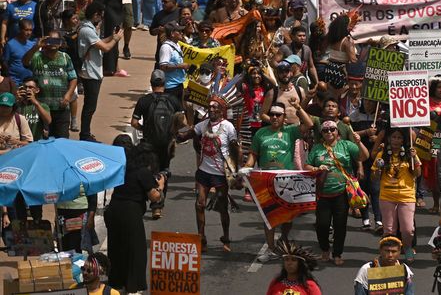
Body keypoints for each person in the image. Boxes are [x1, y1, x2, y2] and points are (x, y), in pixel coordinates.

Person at [244, 97, 313, 261]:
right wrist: (246, 168)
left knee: (287, 216)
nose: (274, 117)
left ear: (284, 118)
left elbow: (309, 124)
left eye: (278, 115)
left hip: (286, 180)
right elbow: (253, 155)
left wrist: (298, 107)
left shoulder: (291, 131)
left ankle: (284, 238)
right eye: (272, 114)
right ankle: (270, 248)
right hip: (266, 180)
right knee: (268, 216)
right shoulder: (260, 133)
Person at [176, 96, 240, 252]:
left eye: (214, 107)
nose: (211, 109)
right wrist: (174, 129)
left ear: (221, 110)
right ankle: (201, 237)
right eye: (209, 107)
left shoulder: (228, 127)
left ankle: (226, 237)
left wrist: (237, 171)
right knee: (199, 204)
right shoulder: (202, 125)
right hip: (203, 172)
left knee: (222, 207)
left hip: (220, 175)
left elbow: (235, 149)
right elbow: (184, 136)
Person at [104, 134, 164, 294]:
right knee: (135, 251)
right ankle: (133, 285)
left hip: (114, 210)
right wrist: (160, 186)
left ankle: (116, 281)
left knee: (116, 248)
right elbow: (154, 196)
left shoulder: (120, 169)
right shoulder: (141, 171)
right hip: (130, 212)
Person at [305, 118, 367, 265]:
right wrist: (316, 168)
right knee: (322, 225)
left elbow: (364, 156)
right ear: (321, 133)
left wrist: (359, 143)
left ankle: (337, 254)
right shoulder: (317, 148)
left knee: (340, 225)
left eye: (332, 129)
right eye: (325, 130)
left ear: (337, 132)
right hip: (322, 193)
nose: (329, 132)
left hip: (342, 193)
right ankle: (325, 250)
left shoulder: (346, 145)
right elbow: (307, 165)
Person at [130, 68, 183, 219]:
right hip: (167, 143)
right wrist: (173, 131)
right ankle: (158, 207)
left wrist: (145, 129)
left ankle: (148, 200)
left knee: (149, 172)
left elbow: (134, 122)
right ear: (165, 83)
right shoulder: (173, 100)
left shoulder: (144, 100)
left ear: (151, 83)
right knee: (164, 172)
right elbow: (182, 121)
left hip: (149, 143)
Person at [77, 1, 120, 142]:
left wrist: (112, 37)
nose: (101, 19)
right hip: (90, 72)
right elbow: (106, 48)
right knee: (90, 106)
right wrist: (116, 40)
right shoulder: (87, 30)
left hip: (94, 71)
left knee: (91, 105)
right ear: (96, 14)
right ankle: (85, 134)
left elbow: (99, 42)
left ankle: (86, 133)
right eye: (101, 16)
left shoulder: (89, 29)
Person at [22, 33, 76, 138]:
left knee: (62, 139)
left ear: (60, 43)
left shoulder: (65, 57)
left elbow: (73, 78)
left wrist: (69, 95)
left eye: (56, 40)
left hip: (61, 107)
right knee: (43, 139)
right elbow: (25, 62)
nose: (53, 43)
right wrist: (37, 46)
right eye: (51, 40)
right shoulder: (37, 56)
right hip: (42, 108)